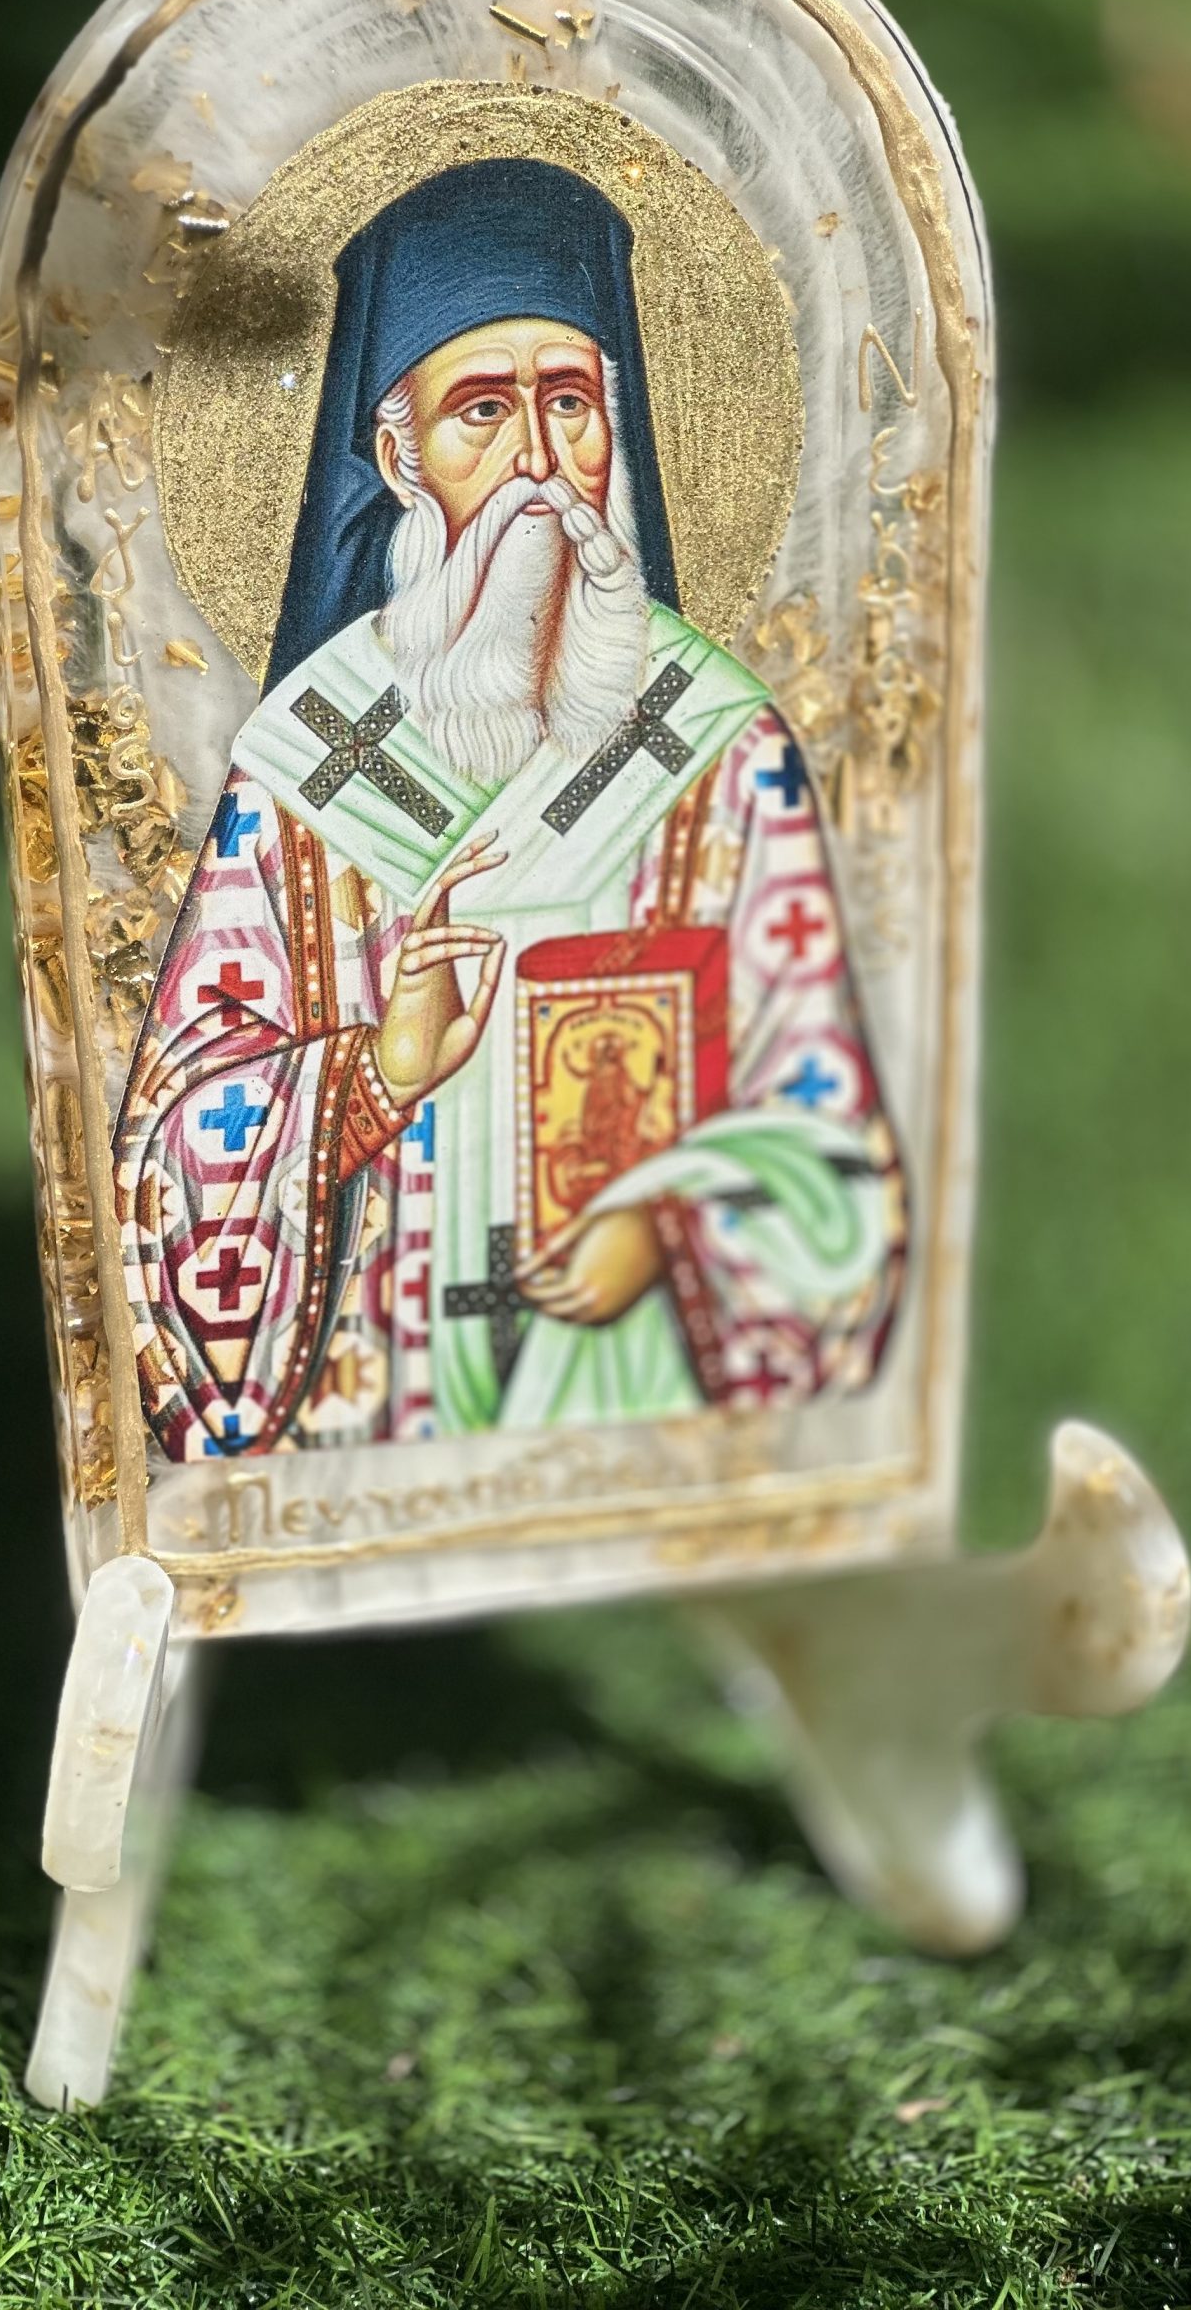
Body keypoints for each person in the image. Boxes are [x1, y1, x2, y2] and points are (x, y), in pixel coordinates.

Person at [116, 157, 905, 1462]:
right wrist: (374, 1075)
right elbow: (165, 1157)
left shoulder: (722, 752)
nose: (540, 463)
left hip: (650, 1433)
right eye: (483, 410)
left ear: (617, 431)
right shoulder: (309, 769)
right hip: (365, 1442)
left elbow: (827, 1148)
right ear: (399, 454)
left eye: (571, 404)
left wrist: (666, 1222)